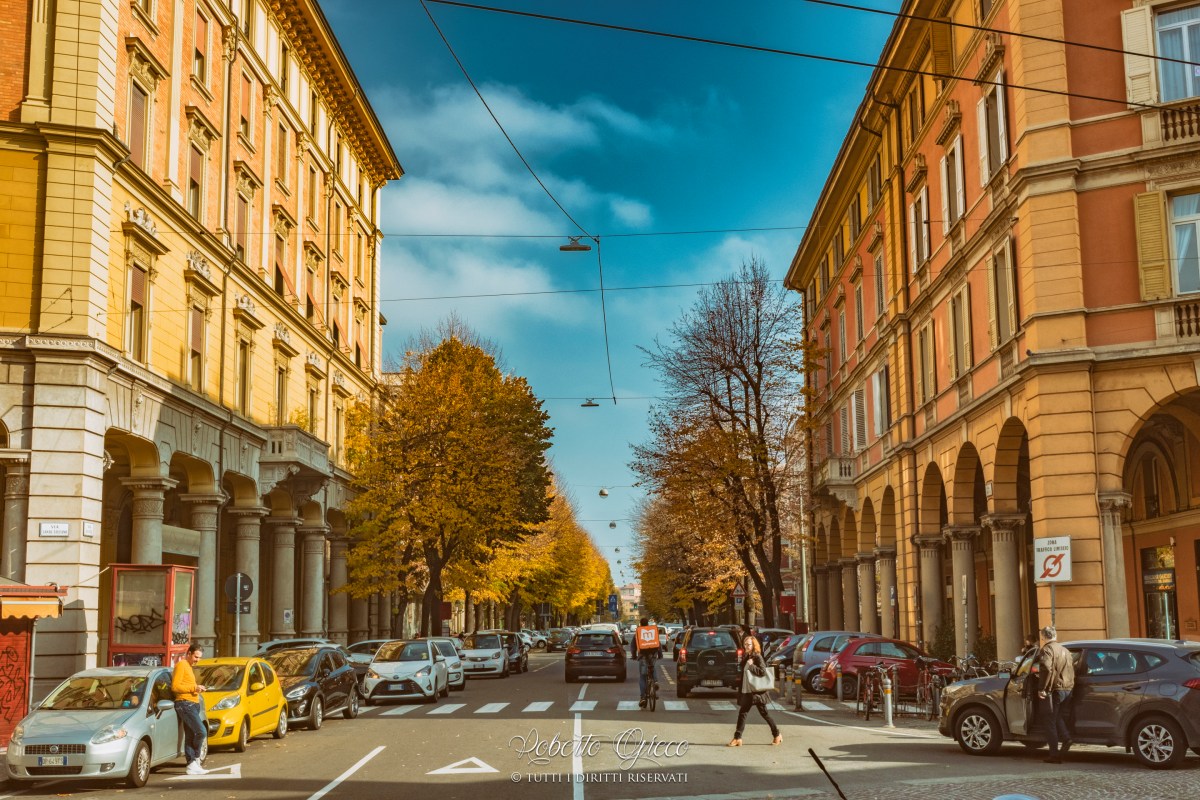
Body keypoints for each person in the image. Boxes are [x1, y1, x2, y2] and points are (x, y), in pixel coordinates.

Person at [729, 627, 782, 747]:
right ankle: (738, 738)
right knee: (743, 713)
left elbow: (762, 671)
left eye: (748, 644)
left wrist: (751, 666)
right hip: (748, 690)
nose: (746, 646)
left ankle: (777, 734)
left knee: (764, 714)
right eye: (745, 644)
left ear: (753, 645)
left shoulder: (757, 657)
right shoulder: (747, 657)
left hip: (757, 692)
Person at [1036, 625, 1075, 763]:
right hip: (1068, 688)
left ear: (1043, 637)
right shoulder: (1065, 650)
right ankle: (1066, 738)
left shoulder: (1047, 649)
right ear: (1055, 635)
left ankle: (1054, 755)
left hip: (1055, 690)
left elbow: (1046, 668)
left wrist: (1042, 689)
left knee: (1049, 721)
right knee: (1057, 716)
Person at [172, 642, 209, 775]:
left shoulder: (188, 666)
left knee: (190, 735)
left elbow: (186, 685)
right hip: (185, 704)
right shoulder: (182, 665)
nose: (197, 660)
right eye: (196, 657)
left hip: (192, 703)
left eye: (199, 658)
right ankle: (195, 759)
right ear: (189, 653)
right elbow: (175, 687)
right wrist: (195, 688)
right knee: (201, 732)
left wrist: (198, 688)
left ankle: (191, 765)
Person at [631, 616, 661, 708]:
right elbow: (658, 643)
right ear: (648, 623)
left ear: (640, 624)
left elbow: (633, 646)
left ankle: (643, 697)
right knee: (652, 666)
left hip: (643, 656)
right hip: (653, 654)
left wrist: (634, 655)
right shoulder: (653, 631)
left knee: (643, 677)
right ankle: (655, 681)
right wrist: (660, 654)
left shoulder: (638, 632)